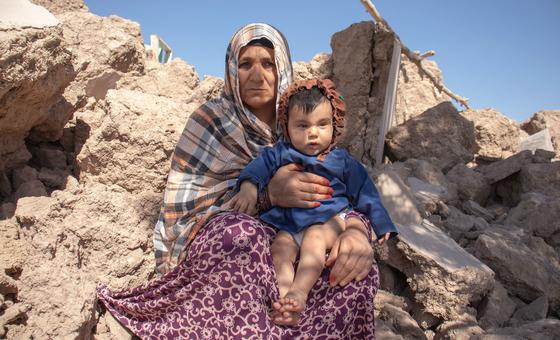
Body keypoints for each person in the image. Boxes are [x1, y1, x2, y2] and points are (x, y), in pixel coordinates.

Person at [97, 23, 384, 339]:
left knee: (353, 265)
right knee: (240, 237)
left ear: (283, 69)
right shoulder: (211, 122)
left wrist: (357, 231)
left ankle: (296, 316)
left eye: (268, 64)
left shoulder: (308, 124)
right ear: (232, 70)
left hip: (312, 233)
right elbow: (189, 211)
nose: (257, 75)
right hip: (251, 242)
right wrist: (268, 195)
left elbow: (349, 190)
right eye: (246, 64)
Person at [230, 79, 397, 326]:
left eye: (322, 124)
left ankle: (300, 291)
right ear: (287, 127)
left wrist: (382, 223)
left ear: (335, 124)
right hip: (290, 223)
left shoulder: (341, 160)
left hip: (329, 220)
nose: (313, 133)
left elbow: (365, 192)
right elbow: (258, 168)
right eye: (302, 125)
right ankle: (286, 301)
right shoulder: (281, 151)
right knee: (280, 250)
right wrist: (248, 188)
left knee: (314, 241)